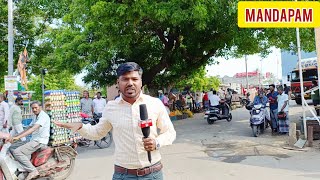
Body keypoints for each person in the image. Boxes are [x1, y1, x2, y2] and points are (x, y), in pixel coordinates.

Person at [54, 62, 176, 179]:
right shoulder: (111, 107)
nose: (130, 83)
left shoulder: (154, 103)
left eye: (134, 79)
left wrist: (157, 142)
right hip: (124, 175)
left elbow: (170, 132)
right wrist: (80, 126)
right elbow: (98, 132)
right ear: (118, 82)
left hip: (153, 174)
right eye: (125, 79)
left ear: (141, 82)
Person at [7, 101, 50, 180]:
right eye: (33, 108)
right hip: (33, 139)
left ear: (40, 107)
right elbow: (29, 128)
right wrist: (16, 136)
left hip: (40, 141)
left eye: (36, 108)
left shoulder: (43, 116)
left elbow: (33, 128)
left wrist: (18, 137)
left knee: (17, 152)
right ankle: (24, 166)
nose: (34, 109)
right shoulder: (35, 116)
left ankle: (33, 170)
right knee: (12, 147)